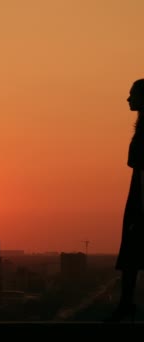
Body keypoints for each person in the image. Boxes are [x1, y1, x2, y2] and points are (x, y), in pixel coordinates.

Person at [106, 79, 144, 322]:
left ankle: (125, 304)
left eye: (132, 95)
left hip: (140, 201)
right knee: (131, 258)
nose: (128, 99)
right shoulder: (142, 128)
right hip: (138, 199)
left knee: (132, 257)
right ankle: (125, 304)